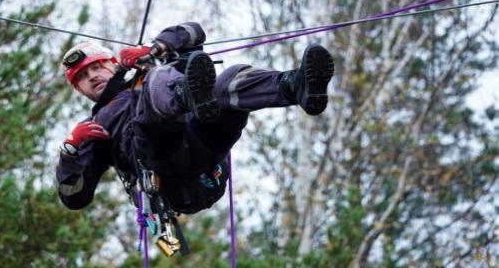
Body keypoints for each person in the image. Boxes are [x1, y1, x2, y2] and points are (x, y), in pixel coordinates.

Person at [55, 22, 334, 214]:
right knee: (156, 81)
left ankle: (295, 85)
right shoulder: (93, 128)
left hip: (205, 150)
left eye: (95, 67)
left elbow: (193, 31)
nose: (91, 77)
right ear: (79, 89)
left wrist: (156, 49)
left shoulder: (146, 67)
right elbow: (74, 198)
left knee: (227, 80)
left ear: (112, 64)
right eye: (81, 77)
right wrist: (70, 152)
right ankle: (185, 95)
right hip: (160, 158)